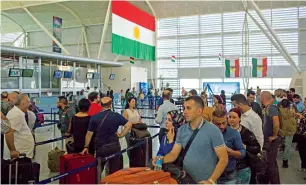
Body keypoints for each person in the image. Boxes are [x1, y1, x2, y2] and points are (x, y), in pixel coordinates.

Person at [159, 96, 228, 184]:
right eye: (184, 108)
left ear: (199, 111)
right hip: (186, 180)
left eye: (188, 108)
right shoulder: (181, 130)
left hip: (205, 181)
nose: (184, 112)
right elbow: (173, 154)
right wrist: (161, 160)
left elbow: (223, 159)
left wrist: (211, 180)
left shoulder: (213, 131)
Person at [81, 97, 135, 177]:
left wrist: (86, 146)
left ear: (100, 105)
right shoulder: (116, 116)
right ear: (110, 105)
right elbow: (129, 125)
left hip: (101, 147)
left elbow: (89, 134)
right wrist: (121, 135)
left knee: (98, 170)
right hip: (114, 146)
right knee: (115, 172)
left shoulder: (94, 117)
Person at [212, 108, 246, 184]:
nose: (222, 126)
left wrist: (231, 152)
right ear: (212, 121)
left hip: (228, 175)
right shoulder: (206, 133)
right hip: (210, 175)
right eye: (218, 124)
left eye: (224, 123)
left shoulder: (234, 133)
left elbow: (242, 152)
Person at [228, 108, 261, 184]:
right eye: (229, 117)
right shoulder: (224, 130)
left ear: (239, 118)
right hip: (228, 168)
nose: (231, 120)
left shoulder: (246, 132)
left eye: (234, 117)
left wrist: (245, 146)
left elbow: (257, 148)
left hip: (243, 167)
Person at [4, 94, 35, 159]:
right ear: (22, 103)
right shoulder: (16, 114)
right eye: (28, 102)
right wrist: (12, 151)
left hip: (23, 154)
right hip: (19, 155)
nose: (29, 104)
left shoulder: (18, 113)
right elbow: (9, 132)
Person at [261, 91, 281, 184]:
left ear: (263, 98)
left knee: (270, 164)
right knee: (271, 163)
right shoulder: (268, 108)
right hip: (269, 140)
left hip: (272, 141)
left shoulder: (272, 108)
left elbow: (276, 122)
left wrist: (274, 136)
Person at [278, 99, 298, 168]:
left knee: (279, 144)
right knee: (288, 146)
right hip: (290, 130)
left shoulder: (278, 111)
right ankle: (285, 161)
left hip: (281, 130)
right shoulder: (292, 111)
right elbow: (294, 120)